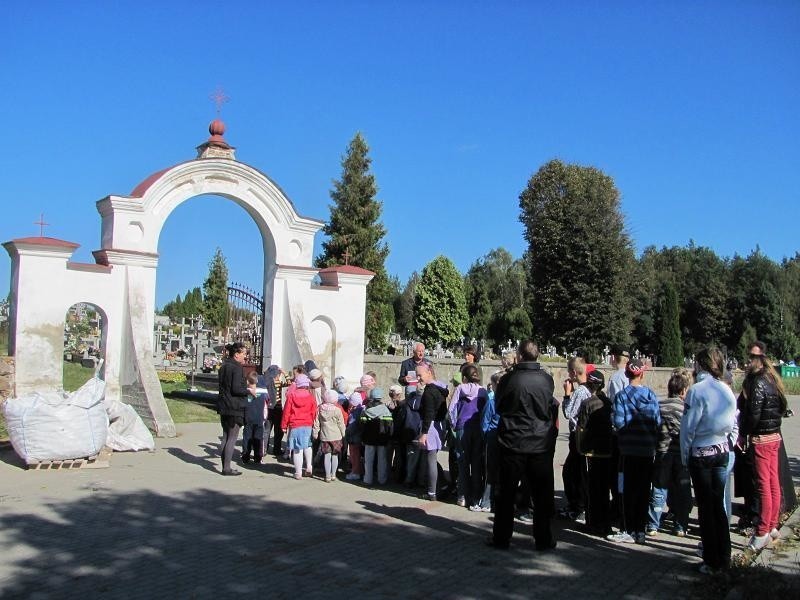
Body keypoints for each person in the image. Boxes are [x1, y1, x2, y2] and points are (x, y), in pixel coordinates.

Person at [487, 340, 558, 551]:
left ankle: (501, 538)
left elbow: (499, 406)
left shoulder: (509, 379)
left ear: (520, 355)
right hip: (539, 443)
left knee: (506, 494)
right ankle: (543, 539)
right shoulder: (547, 379)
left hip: (513, 442)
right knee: (542, 495)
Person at [680, 348, 737, 574]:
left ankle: (711, 559)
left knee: (705, 507)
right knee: (718, 505)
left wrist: (686, 455)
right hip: (721, 449)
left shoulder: (696, 391)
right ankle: (724, 555)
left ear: (700, 365)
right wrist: (728, 442)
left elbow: (688, 428)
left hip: (701, 452)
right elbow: (733, 422)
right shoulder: (726, 389)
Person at [608, 358, 661, 545]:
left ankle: (628, 529)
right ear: (642, 373)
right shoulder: (652, 395)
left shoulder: (622, 396)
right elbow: (657, 422)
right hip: (647, 450)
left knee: (627, 491)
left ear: (627, 374)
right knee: (644, 491)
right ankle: (640, 529)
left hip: (628, 450)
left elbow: (619, 422)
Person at [738, 352, 787, 550]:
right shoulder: (773, 381)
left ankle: (762, 531)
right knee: (773, 482)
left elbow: (754, 414)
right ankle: (772, 525)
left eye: (750, 360)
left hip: (762, 439)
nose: (747, 363)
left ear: (756, 363)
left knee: (763, 486)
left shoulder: (758, 383)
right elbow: (782, 407)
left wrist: (743, 433)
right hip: (774, 436)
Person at [646, 368, 693, 537]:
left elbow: (653, 428)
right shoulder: (686, 409)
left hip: (661, 452)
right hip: (681, 454)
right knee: (682, 489)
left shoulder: (659, 406)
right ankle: (680, 526)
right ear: (684, 390)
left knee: (659, 488)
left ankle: (653, 524)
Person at [576, 369, 614, 536]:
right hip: (607, 449)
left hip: (591, 451)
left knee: (592, 489)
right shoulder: (609, 403)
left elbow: (581, 428)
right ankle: (605, 523)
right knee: (604, 489)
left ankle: (592, 522)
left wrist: (579, 447)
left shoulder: (588, 403)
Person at [449, 364, 488, 509]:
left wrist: (454, 424)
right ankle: (476, 497)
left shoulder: (460, 388)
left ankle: (462, 496)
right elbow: (485, 411)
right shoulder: (483, 391)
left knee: (462, 463)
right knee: (477, 463)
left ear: (464, 377)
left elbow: (452, 408)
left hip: (462, 428)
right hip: (477, 428)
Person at [216, 342, 255, 476]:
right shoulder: (237, 367)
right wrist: (248, 390)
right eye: (244, 353)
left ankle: (224, 466)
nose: (245, 356)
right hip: (234, 406)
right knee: (232, 437)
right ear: (237, 354)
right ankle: (226, 468)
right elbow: (236, 389)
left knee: (226, 437)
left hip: (224, 405)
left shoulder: (223, 366)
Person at [561, 358, 593, 521]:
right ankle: (576, 505)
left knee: (572, 473)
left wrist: (567, 394)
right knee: (575, 472)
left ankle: (578, 506)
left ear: (574, 373)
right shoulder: (589, 388)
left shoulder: (580, 391)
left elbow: (568, 413)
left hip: (578, 435)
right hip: (584, 435)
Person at [416, 363, 449, 501]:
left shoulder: (429, 392)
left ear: (429, 372)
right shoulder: (440, 386)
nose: (418, 378)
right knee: (432, 459)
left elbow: (429, 414)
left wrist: (424, 433)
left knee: (430, 460)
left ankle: (432, 492)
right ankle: (436, 488)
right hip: (439, 425)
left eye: (420, 375)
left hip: (431, 427)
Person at [474, 371, 502, 512]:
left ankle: (486, 501)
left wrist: (485, 437)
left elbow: (485, 423)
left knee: (490, 471)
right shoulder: (510, 401)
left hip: (492, 438)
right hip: (506, 439)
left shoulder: (492, 402)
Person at [281, 373, 318, 480]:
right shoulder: (310, 396)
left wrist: (284, 425)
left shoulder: (291, 396)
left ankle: (298, 472)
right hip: (308, 424)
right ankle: (309, 467)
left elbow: (287, 411)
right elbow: (314, 411)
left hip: (295, 425)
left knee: (297, 449)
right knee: (308, 446)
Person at [360, 388, 394, 486]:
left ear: (371, 396)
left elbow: (362, 425)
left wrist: (363, 438)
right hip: (382, 439)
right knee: (382, 460)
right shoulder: (385, 410)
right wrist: (389, 437)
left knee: (368, 460)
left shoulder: (366, 409)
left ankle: (367, 479)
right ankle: (382, 480)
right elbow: (390, 425)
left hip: (368, 439)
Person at [313, 389, 347, 482]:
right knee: (335, 456)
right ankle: (333, 474)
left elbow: (316, 422)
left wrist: (315, 433)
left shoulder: (320, 409)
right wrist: (343, 434)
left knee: (326, 456)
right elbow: (341, 424)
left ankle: (327, 475)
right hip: (336, 436)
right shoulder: (337, 410)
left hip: (325, 436)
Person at [242, 371, 268, 464]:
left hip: (248, 418)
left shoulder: (245, 392)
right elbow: (267, 401)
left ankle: (246, 455)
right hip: (259, 418)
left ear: (248, 382)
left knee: (247, 437)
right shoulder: (263, 392)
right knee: (258, 438)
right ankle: (258, 456)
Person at [345, 391, 365, 481]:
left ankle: (355, 472)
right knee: (358, 455)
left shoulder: (355, 412)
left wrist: (346, 433)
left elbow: (352, 426)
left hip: (354, 437)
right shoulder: (362, 409)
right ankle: (359, 470)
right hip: (360, 436)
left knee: (354, 455)